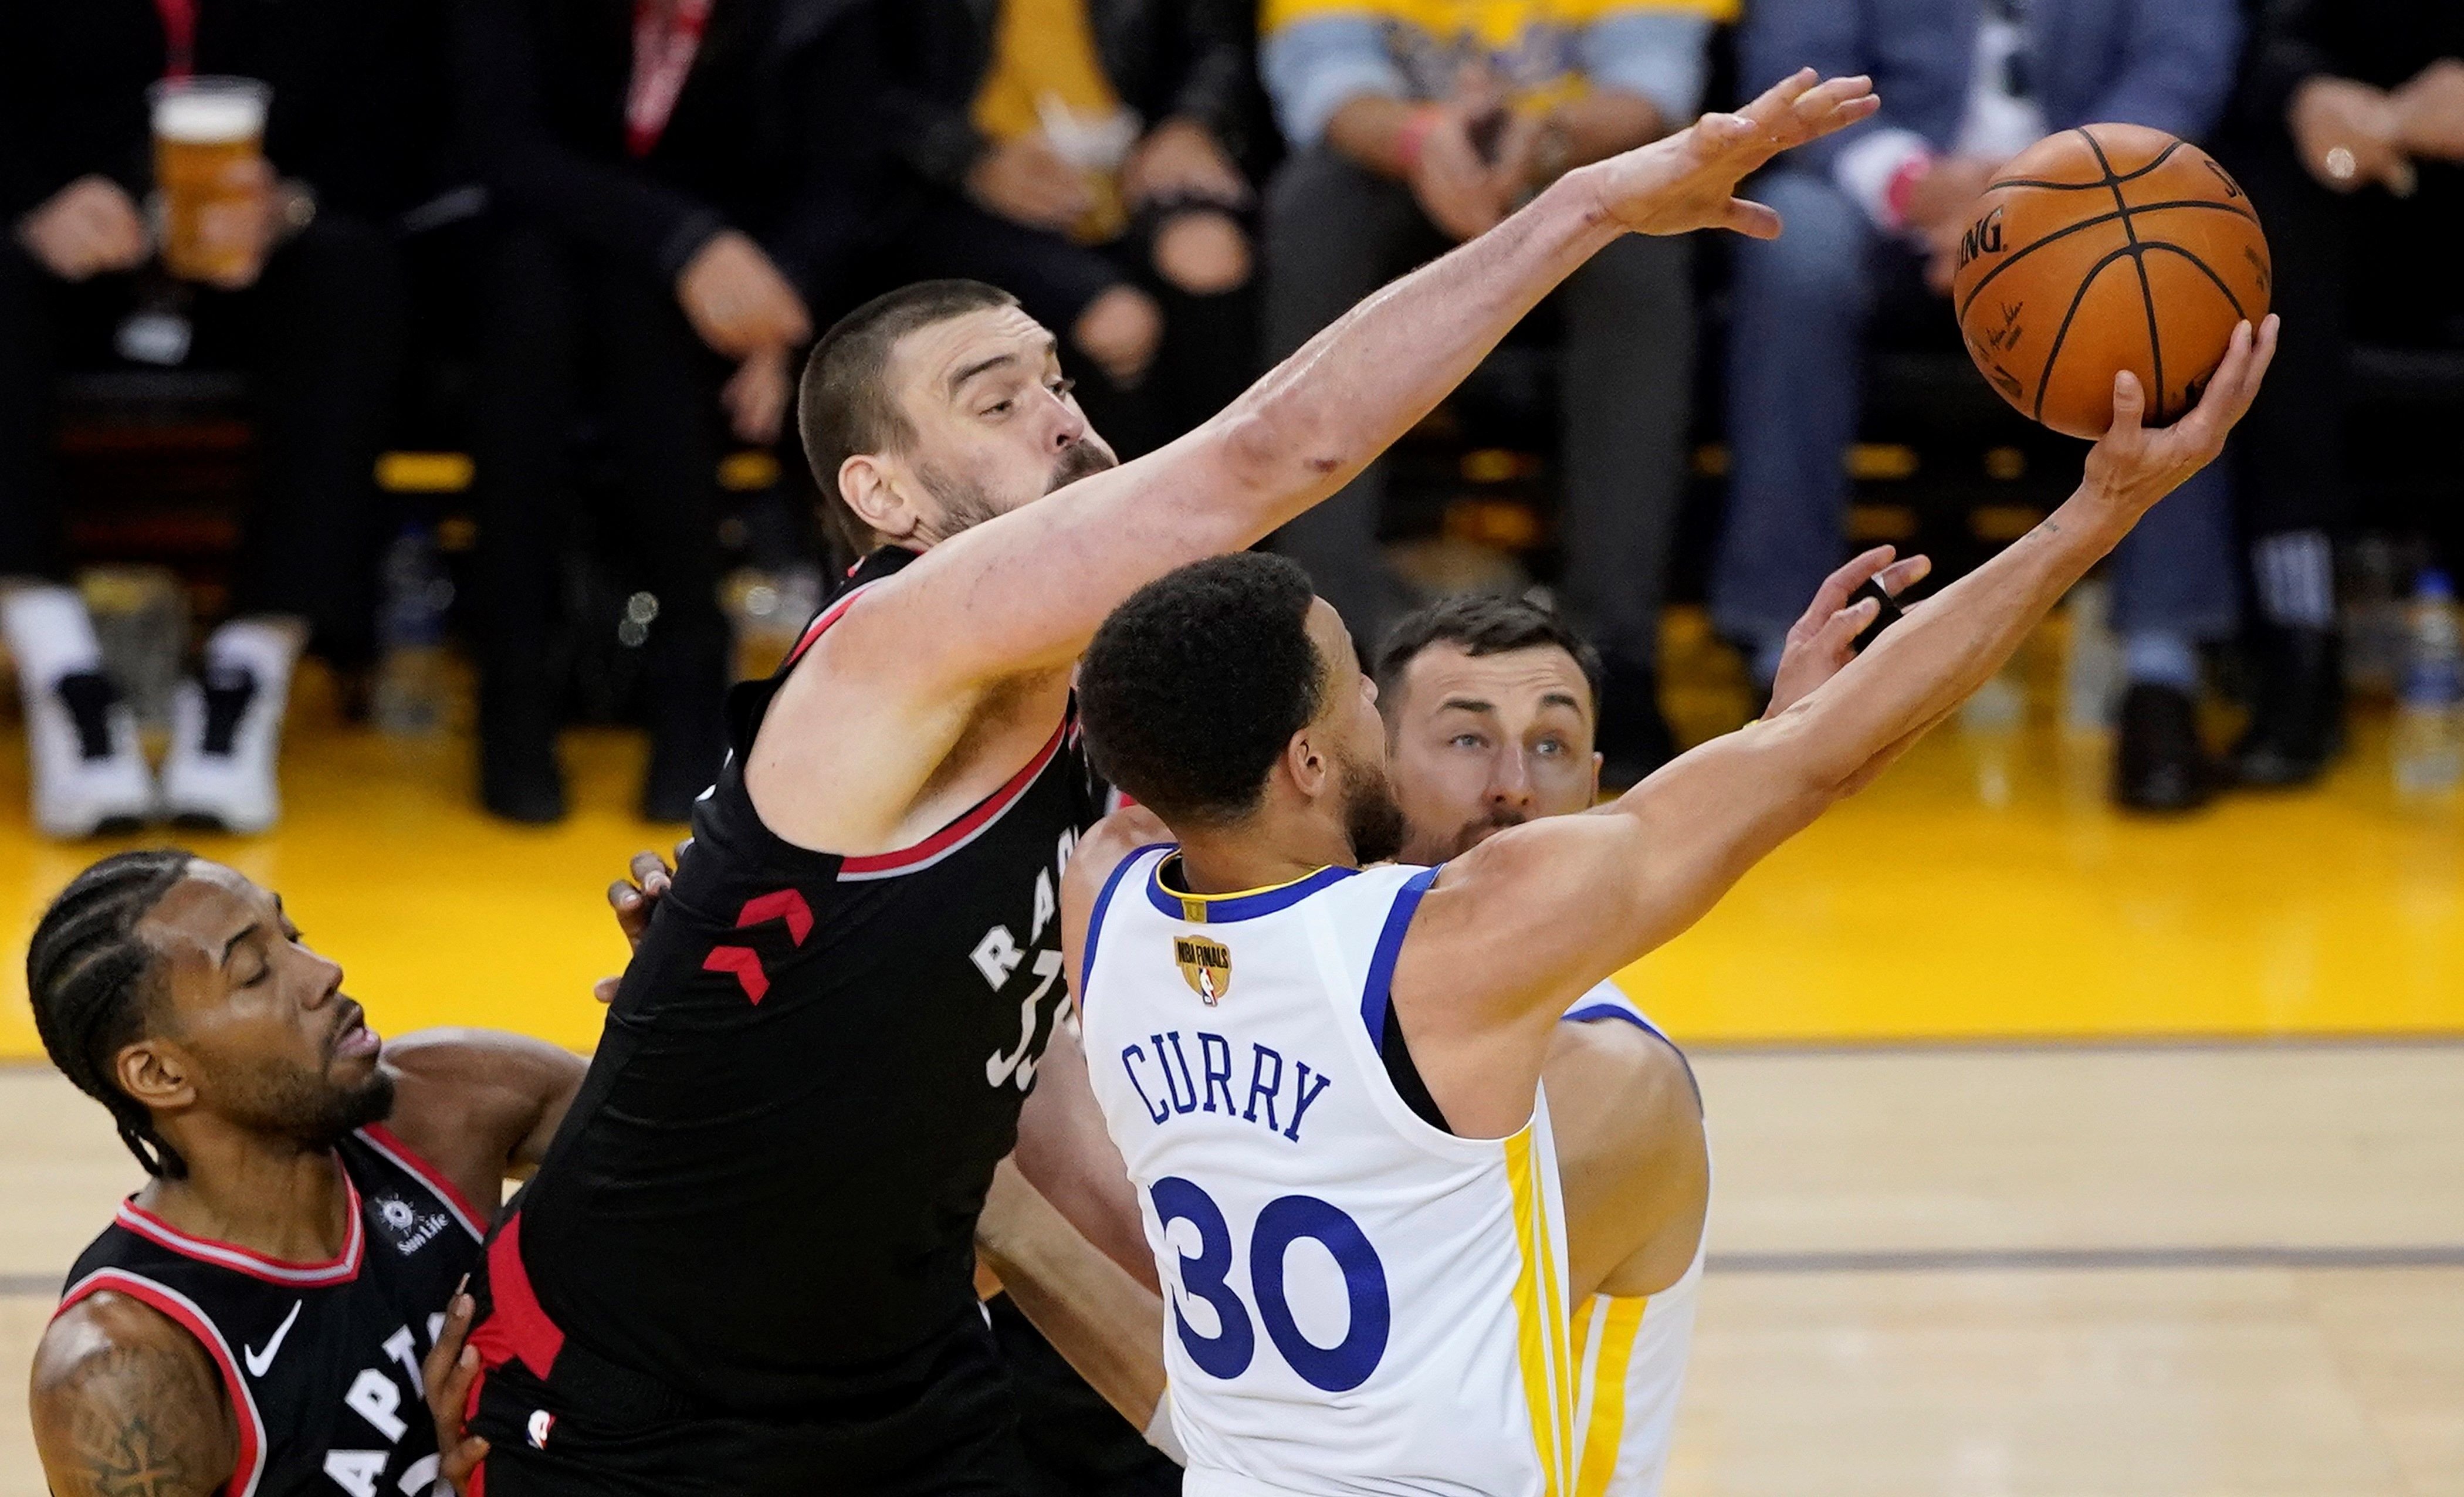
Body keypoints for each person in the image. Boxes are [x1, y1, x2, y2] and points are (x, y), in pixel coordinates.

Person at [445, 72, 1880, 1496]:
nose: (1064, 419)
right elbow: (1274, 452)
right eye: (995, 400)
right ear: (884, 498)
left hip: (909, 1365)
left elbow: (1347, 887)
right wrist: (1584, 206)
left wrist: (1771, 751)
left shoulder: (1109, 720)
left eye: (1060, 381)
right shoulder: (891, 652)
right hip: (653, 1405)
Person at [1059, 312, 2271, 1492]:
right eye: (1365, 704)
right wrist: (2097, 513)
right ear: (1310, 764)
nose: (1377, 715)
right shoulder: (1506, 992)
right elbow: (1824, 762)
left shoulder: (1105, 906)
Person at [1716, 0, 2252, 812]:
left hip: (2092, 199)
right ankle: (1782, 654)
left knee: (2168, 271)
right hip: (1892, 201)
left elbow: (2183, 57)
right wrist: (1915, 188)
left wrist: (2038, 201)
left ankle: (2160, 667)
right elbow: (1796, 67)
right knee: (1795, 251)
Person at [1257, 0, 1733, 784]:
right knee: (1315, 210)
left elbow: (1655, 82)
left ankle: (1617, 657)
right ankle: (1333, 664)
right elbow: (1326, 75)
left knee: (1643, 242)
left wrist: (1549, 142)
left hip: (1574, 159)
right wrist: (1421, 142)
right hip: (1395, 162)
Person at [2, 0, 445, 836]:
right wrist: (34, 208)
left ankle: (250, 670)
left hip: (259, 282)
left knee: (352, 274)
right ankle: (62, 668)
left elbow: (407, 138)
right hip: (66, 278)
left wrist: (291, 207)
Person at [23, 849, 588, 1496]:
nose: (324, 973)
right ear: (160, 1074)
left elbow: (693, 1147)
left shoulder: (448, 1102)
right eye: (256, 972)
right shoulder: (127, 1366)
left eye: (293, 936)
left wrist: (681, 996)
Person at [450, 0, 877, 822]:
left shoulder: (815, 17)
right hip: (533, 275)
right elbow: (503, 151)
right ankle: (516, 674)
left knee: (643, 311)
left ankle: (692, 657)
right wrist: (686, 243)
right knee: (539, 285)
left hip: (727, 304)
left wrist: (778, 322)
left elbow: (840, 184)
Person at [2217, 0, 2464, 785]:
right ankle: (2301, 639)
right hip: (2349, 192)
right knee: (2272, 232)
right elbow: (2258, 32)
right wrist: (2308, 92)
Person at [871, 0, 1263, 464]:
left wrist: (1190, 123)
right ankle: (1127, 514)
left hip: (1131, 165)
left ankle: (1244, 491)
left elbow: (1213, 45)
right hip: (955, 193)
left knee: (1209, 259)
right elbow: (857, 89)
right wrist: (971, 159)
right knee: (1119, 323)